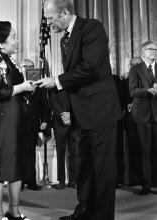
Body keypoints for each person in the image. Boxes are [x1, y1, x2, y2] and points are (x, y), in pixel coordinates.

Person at [34, 1, 122, 219]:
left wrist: (56, 81)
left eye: (51, 17)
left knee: (102, 170)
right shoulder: (65, 37)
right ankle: (83, 213)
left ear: (65, 13)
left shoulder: (92, 27)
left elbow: (90, 67)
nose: (48, 22)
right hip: (80, 112)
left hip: (100, 110)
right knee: (83, 168)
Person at [0, 21, 35, 220]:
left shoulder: (10, 61)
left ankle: (14, 211)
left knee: (16, 166)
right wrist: (21, 88)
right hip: (1, 122)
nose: (17, 40)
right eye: (13, 36)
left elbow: (16, 86)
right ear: (1, 44)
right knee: (0, 169)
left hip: (16, 119)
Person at [128, 41, 157, 195]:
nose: (154, 51)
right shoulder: (136, 69)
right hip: (143, 114)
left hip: (156, 114)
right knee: (145, 151)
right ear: (143, 52)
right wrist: (148, 91)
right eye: (150, 49)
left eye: (156, 49)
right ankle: (146, 185)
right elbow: (132, 91)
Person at [20, 59, 51, 191]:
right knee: (19, 154)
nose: (29, 69)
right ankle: (19, 183)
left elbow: (45, 104)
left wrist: (45, 120)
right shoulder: (17, 82)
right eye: (26, 67)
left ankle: (32, 182)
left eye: (32, 67)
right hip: (18, 124)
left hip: (32, 124)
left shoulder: (39, 85)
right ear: (21, 68)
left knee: (31, 154)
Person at [49, 89, 77, 189]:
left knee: (74, 152)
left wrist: (71, 115)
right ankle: (61, 181)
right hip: (59, 122)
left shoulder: (72, 83)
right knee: (60, 152)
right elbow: (52, 100)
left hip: (73, 122)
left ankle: (73, 180)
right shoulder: (54, 84)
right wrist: (62, 114)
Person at [122, 57, 142, 186]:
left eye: (137, 65)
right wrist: (128, 104)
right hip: (131, 121)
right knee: (133, 150)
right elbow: (121, 99)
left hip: (148, 120)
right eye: (132, 65)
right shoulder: (124, 82)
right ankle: (135, 179)